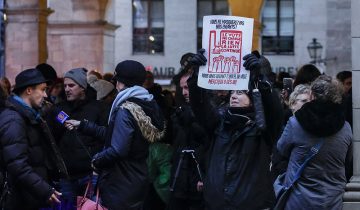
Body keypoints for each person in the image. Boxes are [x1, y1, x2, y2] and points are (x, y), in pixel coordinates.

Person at [65, 60, 165, 209]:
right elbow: (116, 135)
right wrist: (83, 125)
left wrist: (97, 160)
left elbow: (118, 148)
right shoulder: (146, 103)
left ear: (120, 82)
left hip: (121, 181)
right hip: (137, 177)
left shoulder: (125, 109)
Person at [187, 51, 280, 209]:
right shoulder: (219, 124)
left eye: (241, 92)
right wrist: (197, 77)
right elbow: (200, 107)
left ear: (253, 98)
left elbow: (274, 111)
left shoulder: (262, 128)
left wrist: (261, 81)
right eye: (233, 92)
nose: (234, 96)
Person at [277, 75, 352, 209]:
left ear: (311, 95)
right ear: (337, 97)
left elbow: (281, 149)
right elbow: (349, 160)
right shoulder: (346, 128)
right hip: (332, 199)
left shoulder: (295, 124)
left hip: (298, 199)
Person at [0, 69, 66, 210]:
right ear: (29, 90)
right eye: (42, 90)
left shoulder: (30, 115)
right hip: (19, 200)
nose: (45, 95)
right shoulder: (13, 119)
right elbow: (17, 165)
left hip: (30, 197)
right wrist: (44, 190)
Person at [47, 68, 109, 207]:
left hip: (90, 175)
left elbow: (105, 136)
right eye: (65, 86)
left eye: (71, 85)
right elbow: (51, 140)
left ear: (82, 87)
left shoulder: (99, 108)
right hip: (66, 177)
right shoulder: (58, 110)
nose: (67, 89)